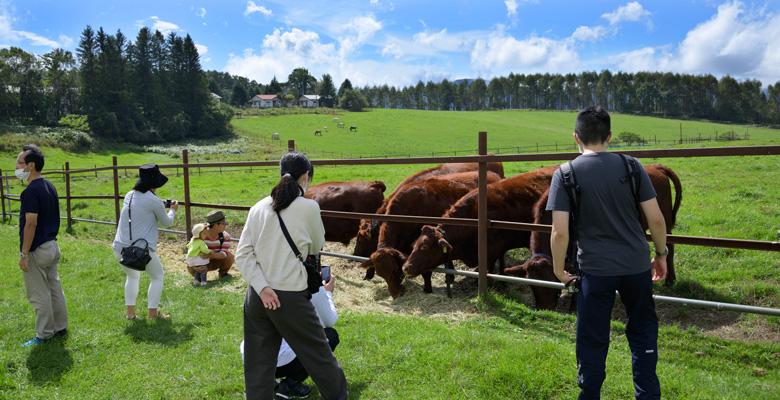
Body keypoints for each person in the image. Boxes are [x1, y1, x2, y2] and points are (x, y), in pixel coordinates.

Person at [548, 106, 668, 399]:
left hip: (595, 270)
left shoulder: (564, 174)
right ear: (610, 136)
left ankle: (589, 394)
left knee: (592, 338)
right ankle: (648, 395)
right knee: (642, 332)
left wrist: (557, 268)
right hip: (637, 265)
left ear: (576, 137)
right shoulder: (632, 166)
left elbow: (560, 232)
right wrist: (661, 254)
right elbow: (655, 219)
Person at [236, 151, 348, 400]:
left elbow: (242, 255)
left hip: (256, 296)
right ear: (306, 176)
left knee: (258, 361)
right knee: (318, 354)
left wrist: (262, 288)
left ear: (280, 173)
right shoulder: (309, 207)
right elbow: (316, 246)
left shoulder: (257, 207)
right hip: (290, 296)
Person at [240, 272, 341, 399]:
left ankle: (266, 382)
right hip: (284, 361)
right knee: (330, 335)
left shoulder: (258, 281)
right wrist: (327, 293)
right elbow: (329, 321)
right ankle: (291, 383)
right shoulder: (303, 281)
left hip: (254, 359)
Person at [16, 144, 69, 347]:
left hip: (37, 249)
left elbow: (31, 223)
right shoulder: (49, 185)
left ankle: (44, 334)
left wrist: (24, 253)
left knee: (39, 294)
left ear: (31, 165)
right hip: (53, 246)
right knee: (55, 289)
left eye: (19, 163)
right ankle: (60, 327)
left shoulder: (31, 191)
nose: (17, 167)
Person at [112, 163, 179, 320]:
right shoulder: (153, 201)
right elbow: (167, 222)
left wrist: (159, 203)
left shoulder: (129, 195)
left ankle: (130, 313)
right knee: (157, 276)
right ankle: (152, 314)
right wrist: (172, 210)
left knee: (133, 277)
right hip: (141, 251)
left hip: (120, 248)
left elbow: (142, 205)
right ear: (154, 184)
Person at [188, 210, 234, 280]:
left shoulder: (225, 236)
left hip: (216, 261)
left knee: (230, 256)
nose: (225, 225)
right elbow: (191, 252)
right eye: (223, 223)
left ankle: (223, 274)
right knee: (190, 264)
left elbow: (224, 253)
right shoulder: (199, 235)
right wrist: (195, 267)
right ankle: (198, 276)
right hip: (200, 262)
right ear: (215, 225)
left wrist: (211, 255)